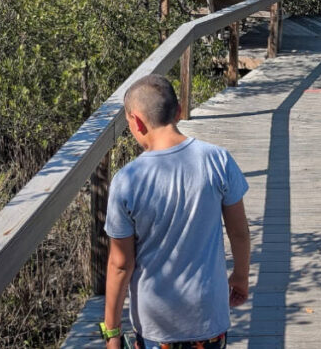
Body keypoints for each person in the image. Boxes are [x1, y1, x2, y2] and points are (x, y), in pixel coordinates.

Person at [99, 74, 250, 349]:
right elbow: (239, 233)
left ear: (136, 122)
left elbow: (121, 264)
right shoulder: (218, 160)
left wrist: (112, 332)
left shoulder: (127, 180)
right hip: (208, 318)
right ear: (179, 112)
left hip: (156, 323)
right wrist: (240, 277)